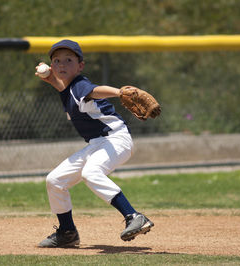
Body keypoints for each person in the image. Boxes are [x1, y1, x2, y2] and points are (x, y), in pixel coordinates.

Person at [35, 39, 154, 248]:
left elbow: (95, 90)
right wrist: (49, 77)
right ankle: (67, 233)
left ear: (81, 65)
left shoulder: (80, 85)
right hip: (97, 144)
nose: (61, 64)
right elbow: (59, 84)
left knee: (91, 172)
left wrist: (118, 92)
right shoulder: (68, 88)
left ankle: (134, 216)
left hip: (116, 139)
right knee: (55, 180)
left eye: (68, 60)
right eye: (56, 60)